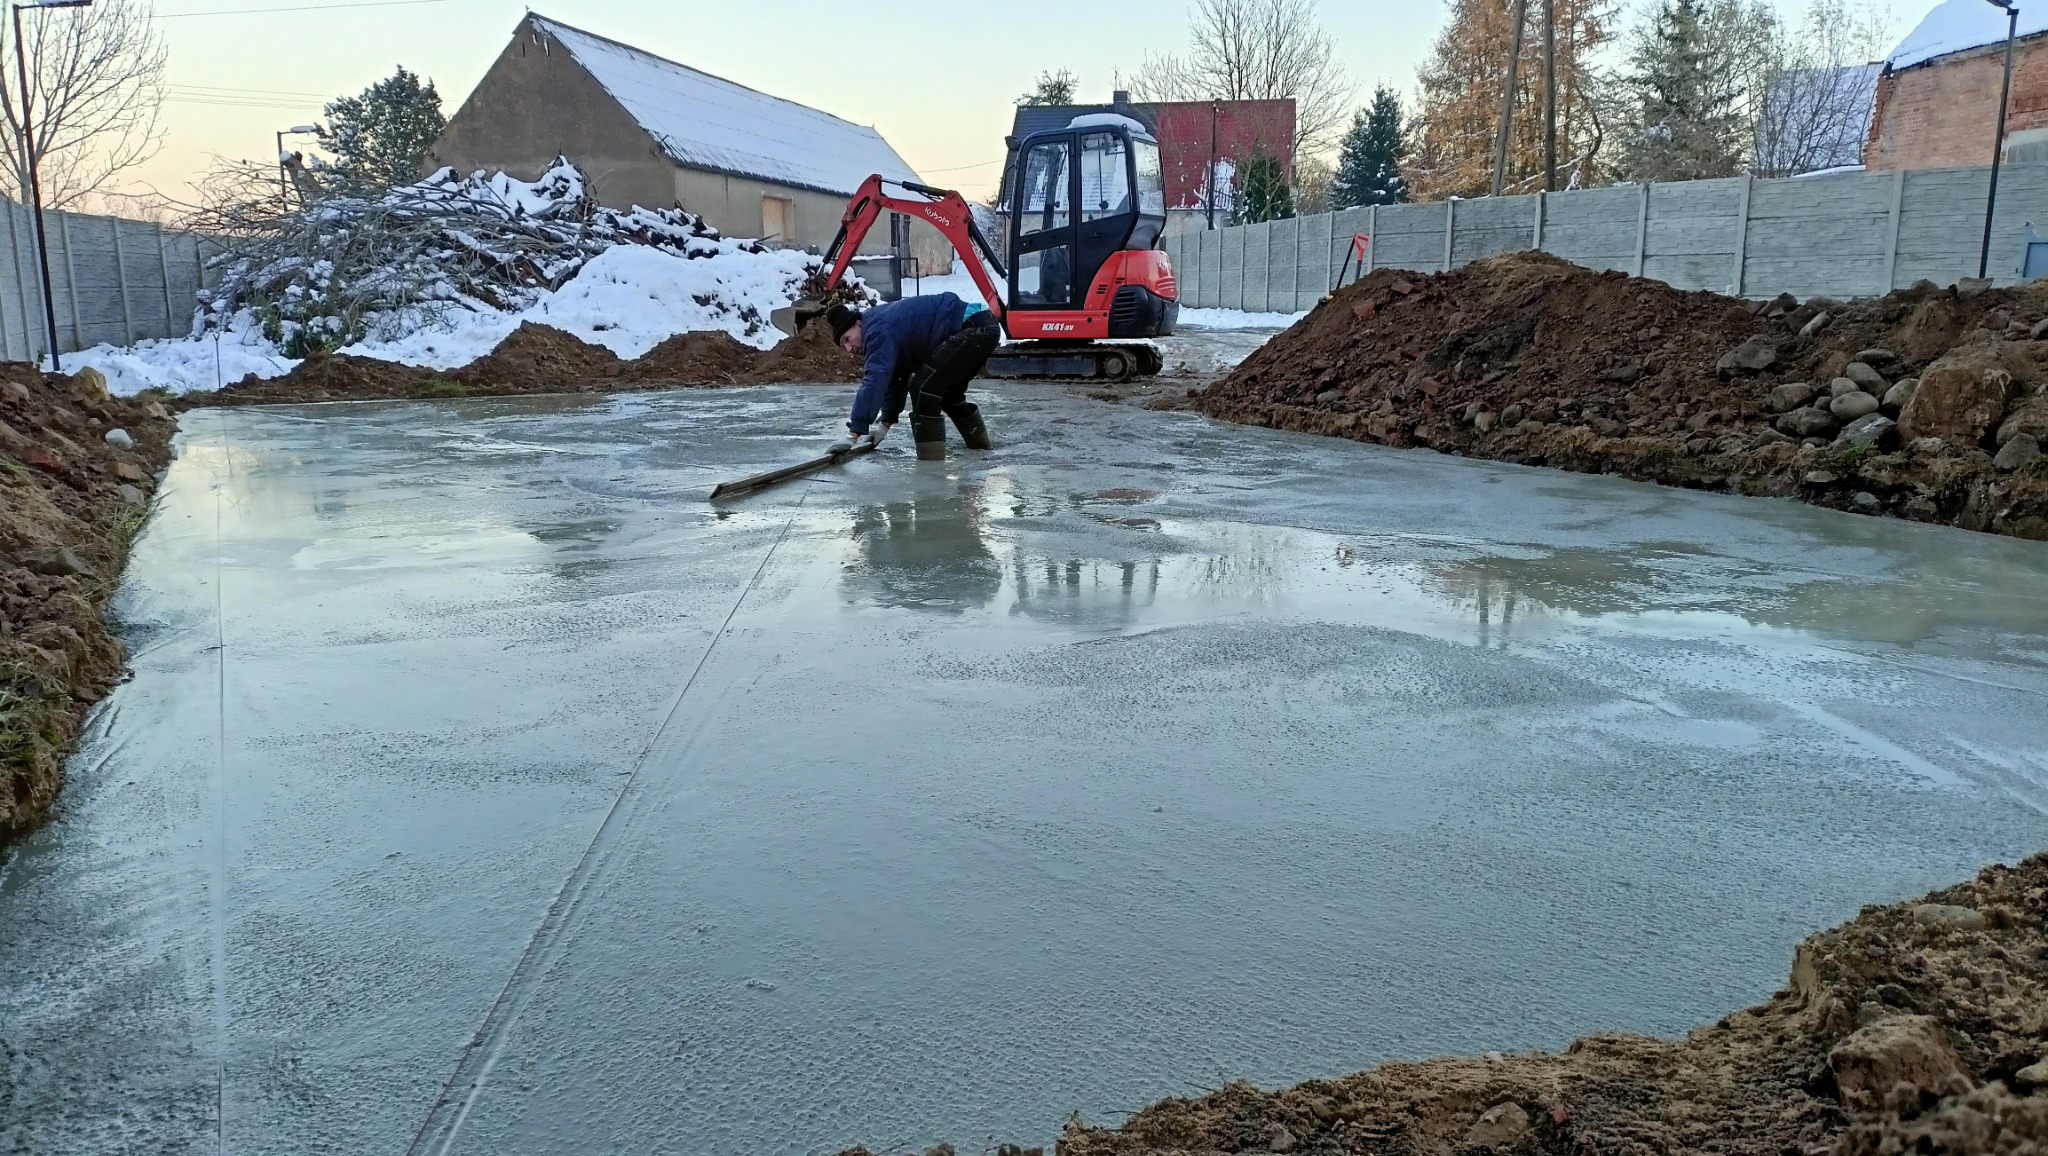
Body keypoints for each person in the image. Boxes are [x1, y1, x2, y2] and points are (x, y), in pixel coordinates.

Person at [826, 292, 1000, 461]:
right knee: (948, 395)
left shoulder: (876, 329)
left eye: (847, 339)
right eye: (844, 346)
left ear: (857, 324)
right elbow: (896, 377)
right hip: (983, 327)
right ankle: (981, 448)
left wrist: (853, 434)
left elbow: (875, 379)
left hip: (974, 329)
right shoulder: (881, 325)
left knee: (923, 387)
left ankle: (930, 467)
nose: (849, 349)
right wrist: (884, 424)